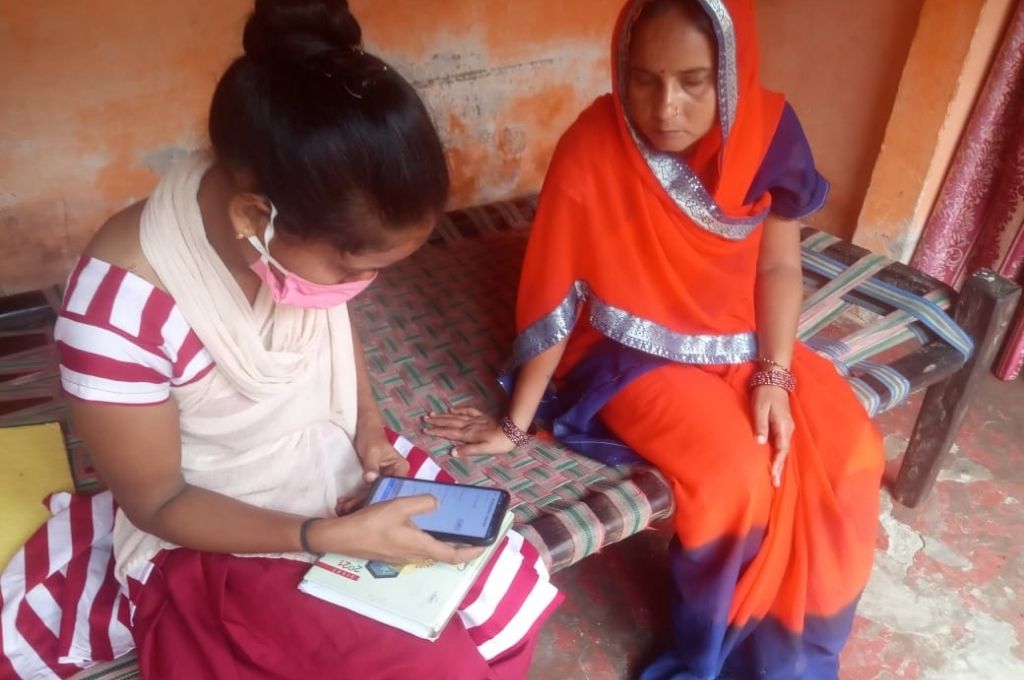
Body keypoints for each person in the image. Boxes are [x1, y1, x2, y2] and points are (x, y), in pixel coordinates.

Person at [45, 0, 559, 677]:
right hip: (210, 534)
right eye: (351, 268)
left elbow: (328, 319)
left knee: (501, 595)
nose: (358, 289)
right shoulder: (116, 315)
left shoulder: (278, 234)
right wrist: (323, 537)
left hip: (332, 464)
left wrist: (369, 428)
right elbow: (159, 502)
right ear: (254, 215)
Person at [424, 1, 884, 678]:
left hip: (743, 344)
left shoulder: (771, 132)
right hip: (625, 356)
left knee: (850, 453)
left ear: (732, 70)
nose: (666, 106)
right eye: (645, 79)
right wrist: (516, 424)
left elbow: (781, 265)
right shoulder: (593, 142)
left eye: (694, 81)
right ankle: (712, 655)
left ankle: (795, 648)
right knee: (735, 481)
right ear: (622, 66)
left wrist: (775, 374)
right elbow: (556, 295)